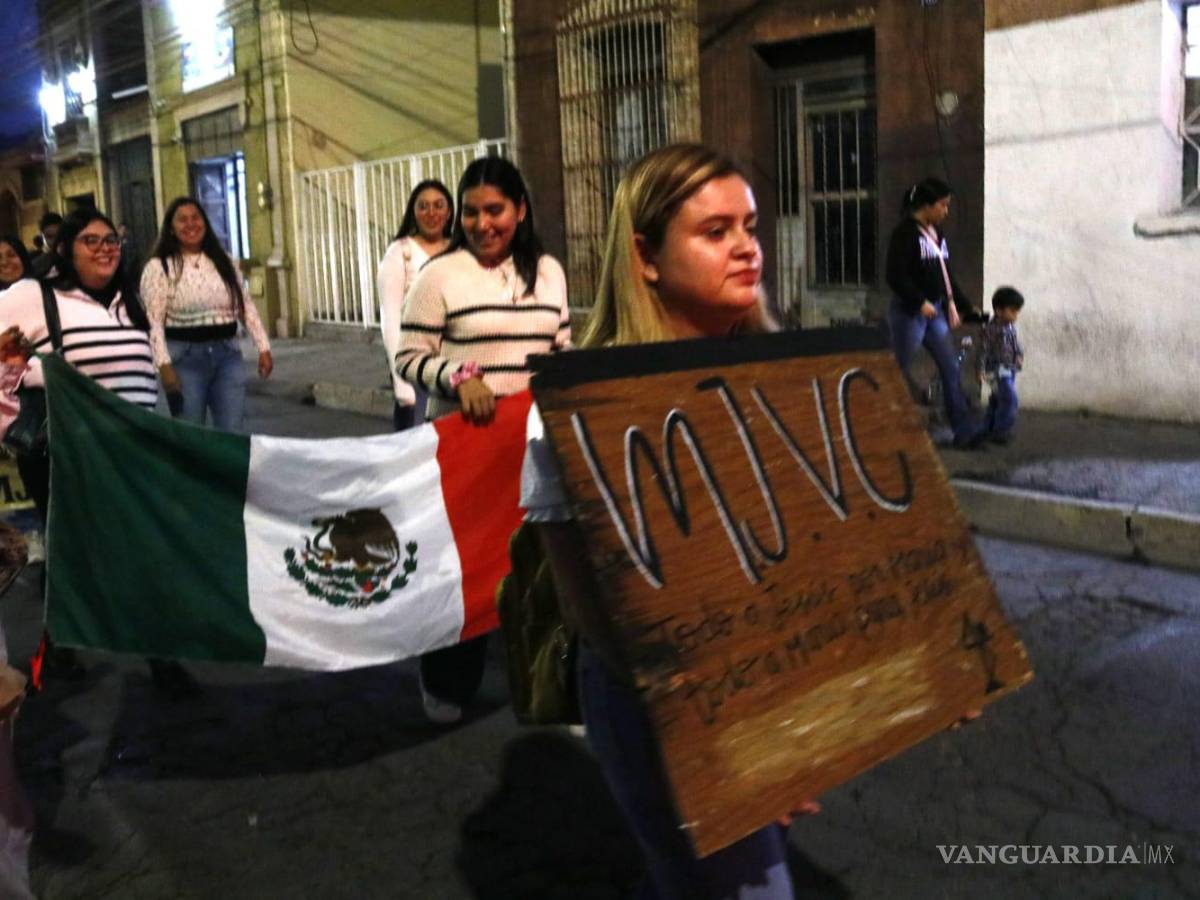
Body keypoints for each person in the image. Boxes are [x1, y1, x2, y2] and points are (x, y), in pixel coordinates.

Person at [521, 143, 811, 899]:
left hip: (768, 675)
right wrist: (745, 746)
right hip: (661, 702)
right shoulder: (577, 415)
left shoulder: (786, 380)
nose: (747, 246)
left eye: (749, 225)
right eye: (715, 232)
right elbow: (595, 615)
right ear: (645, 256)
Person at [397, 156, 570, 723]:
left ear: (520, 210)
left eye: (494, 210)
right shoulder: (438, 276)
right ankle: (446, 681)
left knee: (543, 570)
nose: (480, 223)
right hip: (463, 456)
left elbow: (560, 348)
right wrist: (458, 377)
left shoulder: (549, 272)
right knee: (461, 571)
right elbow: (410, 357)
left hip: (534, 451)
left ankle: (550, 688)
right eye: (470, 212)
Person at [0, 208, 194, 695]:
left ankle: (158, 653)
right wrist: (34, 374)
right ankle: (59, 649)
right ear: (65, 249)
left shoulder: (129, 302)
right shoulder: (32, 295)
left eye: (112, 240)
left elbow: (144, 372)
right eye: (92, 240)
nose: (106, 248)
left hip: (130, 450)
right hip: (65, 450)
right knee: (74, 552)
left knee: (143, 550)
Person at [140, 198, 272, 431]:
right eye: (182, 220)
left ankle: (228, 470)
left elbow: (245, 305)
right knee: (191, 436)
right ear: (171, 227)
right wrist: (163, 365)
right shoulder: (159, 267)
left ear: (205, 223)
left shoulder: (225, 261)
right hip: (184, 360)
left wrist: (263, 346)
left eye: (196, 218)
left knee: (232, 433)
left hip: (227, 356)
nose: (190, 224)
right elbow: (154, 322)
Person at [885, 178, 983, 448]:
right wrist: (919, 302)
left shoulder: (937, 235)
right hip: (910, 315)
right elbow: (895, 275)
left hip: (935, 313)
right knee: (894, 370)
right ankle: (878, 427)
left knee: (951, 368)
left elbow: (945, 275)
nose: (946, 211)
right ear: (926, 206)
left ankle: (963, 432)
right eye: (942, 205)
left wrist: (964, 305)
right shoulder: (904, 235)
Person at [377, 179, 453, 431]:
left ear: (449, 211)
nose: (431, 213)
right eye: (423, 206)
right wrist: (401, 379)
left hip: (453, 368)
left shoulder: (459, 250)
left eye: (438, 205)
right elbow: (391, 319)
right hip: (416, 367)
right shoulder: (400, 253)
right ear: (413, 212)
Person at [977, 286, 1025, 444]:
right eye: (1012, 311)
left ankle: (988, 428)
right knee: (1010, 399)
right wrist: (980, 369)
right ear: (998, 310)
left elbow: (1015, 343)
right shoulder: (990, 330)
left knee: (998, 398)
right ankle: (1001, 431)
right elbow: (983, 350)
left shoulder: (1010, 326)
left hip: (1009, 368)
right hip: (997, 369)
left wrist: (1019, 355)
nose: (1016, 315)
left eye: (1017, 311)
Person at [30, 212, 62, 279]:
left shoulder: (77, 259)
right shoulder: (38, 265)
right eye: (50, 237)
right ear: (43, 237)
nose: (55, 241)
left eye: (59, 235)